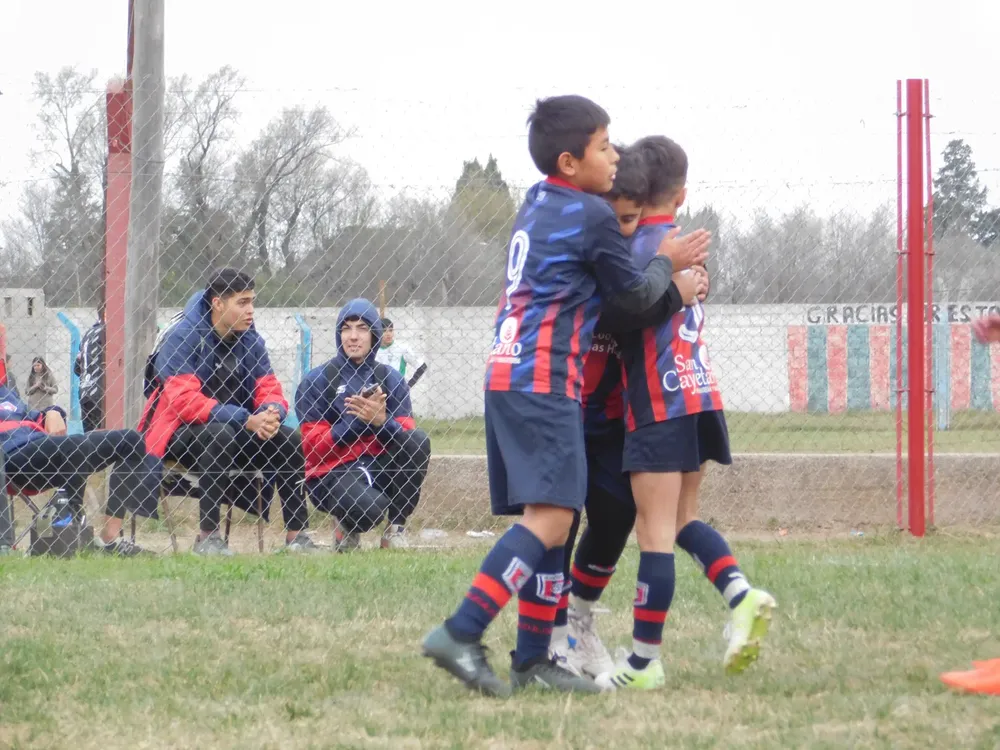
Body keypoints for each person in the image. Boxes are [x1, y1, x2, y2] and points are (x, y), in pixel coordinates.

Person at [421, 95, 711, 697]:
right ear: (571, 161)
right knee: (554, 518)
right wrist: (668, 270)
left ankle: (533, 660)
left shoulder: (538, 201)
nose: (613, 155)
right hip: (544, 379)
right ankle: (462, 630)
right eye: (604, 146)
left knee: (547, 517)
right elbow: (630, 299)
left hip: (506, 374)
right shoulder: (593, 215)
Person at [593, 135, 775, 691]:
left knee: (653, 531)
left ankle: (645, 663)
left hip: (659, 402)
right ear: (682, 192)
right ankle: (741, 597)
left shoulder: (643, 249)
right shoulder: (683, 244)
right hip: (700, 394)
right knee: (682, 520)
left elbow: (616, 311)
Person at [547, 145, 707, 677]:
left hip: (613, 415)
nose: (620, 229)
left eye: (630, 219)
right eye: (612, 219)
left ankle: (580, 616)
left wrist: (681, 281)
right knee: (560, 512)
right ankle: (551, 632)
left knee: (617, 512)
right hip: (568, 404)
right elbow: (616, 312)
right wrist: (674, 289)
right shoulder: (587, 247)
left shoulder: (641, 249)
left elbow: (646, 306)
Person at [138, 269, 318, 556]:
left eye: (252, 302)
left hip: (238, 430)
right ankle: (208, 538)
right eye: (242, 303)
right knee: (219, 433)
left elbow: (269, 386)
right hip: (182, 435)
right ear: (218, 303)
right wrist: (245, 418)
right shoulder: (183, 336)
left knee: (288, 439)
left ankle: (297, 537)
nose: (250, 311)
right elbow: (184, 402)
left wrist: (270, 414)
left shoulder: (251, 340)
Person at [0, 323, 159, 556]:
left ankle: (108, 540)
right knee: (75, 445)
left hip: (42, 446)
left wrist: (52, 412)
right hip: (13, 459)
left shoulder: (6, 389)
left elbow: (28, 414)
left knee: (131, 440)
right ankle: (65, 523)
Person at [297, 299, 430, 551]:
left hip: (378, 465)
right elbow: (312, 450)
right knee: (371, 509)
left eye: (362, 328)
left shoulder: (391, 379)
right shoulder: (317, 380)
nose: (353, 337)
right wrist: (354, 424)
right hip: (334, 471)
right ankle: (345, 530)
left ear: (375, 335)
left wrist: (381, 423)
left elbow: (408, 438)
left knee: (419, 440)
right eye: (346, 329)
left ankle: (395, 531)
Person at [375, 318, 428, 389]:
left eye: (391, 330)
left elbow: (422, 366)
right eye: (384, 331)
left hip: (396, 390)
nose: (388, 334)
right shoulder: (373, 350)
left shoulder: (402, 347)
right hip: (378, 392)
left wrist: (408, 386)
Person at [76, 309, 106, 433]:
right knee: (104, 438)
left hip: (85, 389)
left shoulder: (88, 333)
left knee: (89, 437)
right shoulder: (106, 331)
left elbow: (77, 368)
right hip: (100, 391)